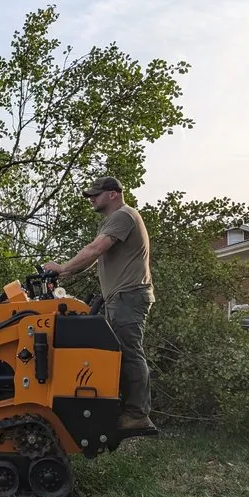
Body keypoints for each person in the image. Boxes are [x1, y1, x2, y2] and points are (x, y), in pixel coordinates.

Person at [43, 176, 155, 432]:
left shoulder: (124, 215)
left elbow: (94, 249)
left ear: (114, 194)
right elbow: (95, 257)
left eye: (96, 193)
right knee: (113, 351)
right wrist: (64, 274)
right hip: (121, 295)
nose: (92, 198)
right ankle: (114, 407)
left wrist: (61, 267)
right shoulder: (113, 220)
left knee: (128, 350)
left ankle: (138, 414)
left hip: (129, 294)